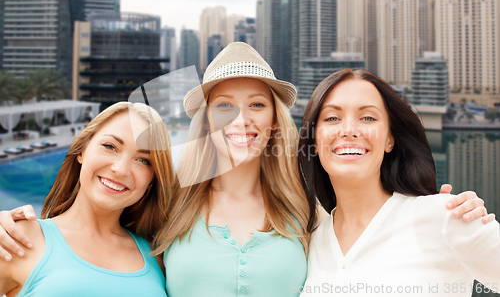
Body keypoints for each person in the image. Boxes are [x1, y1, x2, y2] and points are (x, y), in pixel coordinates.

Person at [0, 45, 492, 296]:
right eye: (224, 105)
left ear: (274, 118)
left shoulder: (308, 210)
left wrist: (433, 212)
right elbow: (101, 225)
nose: (242, 119)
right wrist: (30, 229)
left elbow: (370, 235)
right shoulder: (170, 203)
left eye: (257, 103)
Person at [297, 69, 500, 296]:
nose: (349, 131)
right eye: (332, 118)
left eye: (368, 118)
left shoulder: (447, 217)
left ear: (390, 139)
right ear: (314, 141)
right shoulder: (309, 241)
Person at [0, 102, 173, 297]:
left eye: (143, 160)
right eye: (110, 146)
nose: (121, 169)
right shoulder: (17, 239)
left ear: (152, 180)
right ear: (82, 150)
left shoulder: (158, 255)